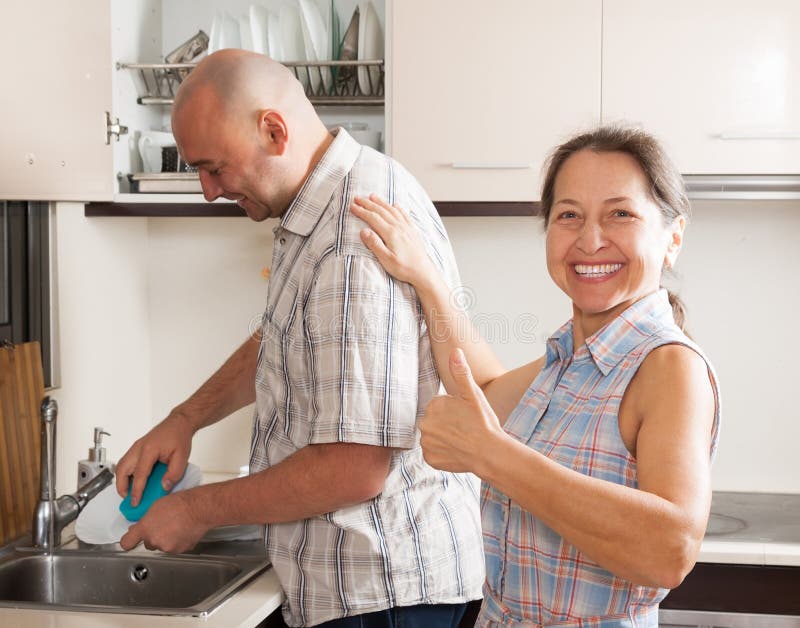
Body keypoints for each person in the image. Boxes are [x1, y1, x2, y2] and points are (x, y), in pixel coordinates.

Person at [114, 49, 484, 628]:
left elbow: (354, 467)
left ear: (273, 130)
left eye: (215, 168)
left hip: (381, 593)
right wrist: (186, 418)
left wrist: (195, 508)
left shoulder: (349, 240)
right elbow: (284, 339)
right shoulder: (325, 201)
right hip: (377, 585)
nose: (209, 191)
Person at [350, 125, 721, 627]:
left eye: (621, 214)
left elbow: (669, 549)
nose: (590, 239)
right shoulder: (570, 359)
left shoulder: (667, 365)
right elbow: (481, 391)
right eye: (569, 215)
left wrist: (491, 455)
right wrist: (426, 278)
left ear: (672, 238)